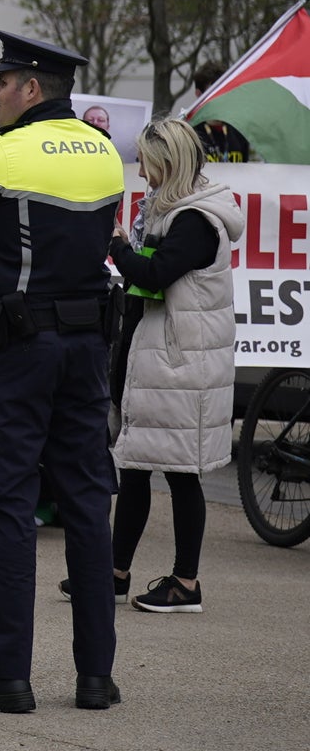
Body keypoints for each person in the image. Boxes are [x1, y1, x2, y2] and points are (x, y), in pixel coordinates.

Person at [0, 33, 126, 714]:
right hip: (87, 348)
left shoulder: (2, 153)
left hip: (17, 350)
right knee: (87, 505)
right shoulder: (103, 150)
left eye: (4, 81)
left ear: (32, 89)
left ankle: (5, 674)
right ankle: (96, 676)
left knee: (7, 502)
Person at [104, 117, 241, 616]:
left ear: (167, 163)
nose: (140, 170)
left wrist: (117, 245)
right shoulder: (177, 212)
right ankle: (115, 574)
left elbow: (155, 273)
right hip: (163, 357)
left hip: (181, 363)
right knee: (137, 465)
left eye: (146, 160)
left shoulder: (195, 220)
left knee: (183, 474)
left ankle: (186, 583)